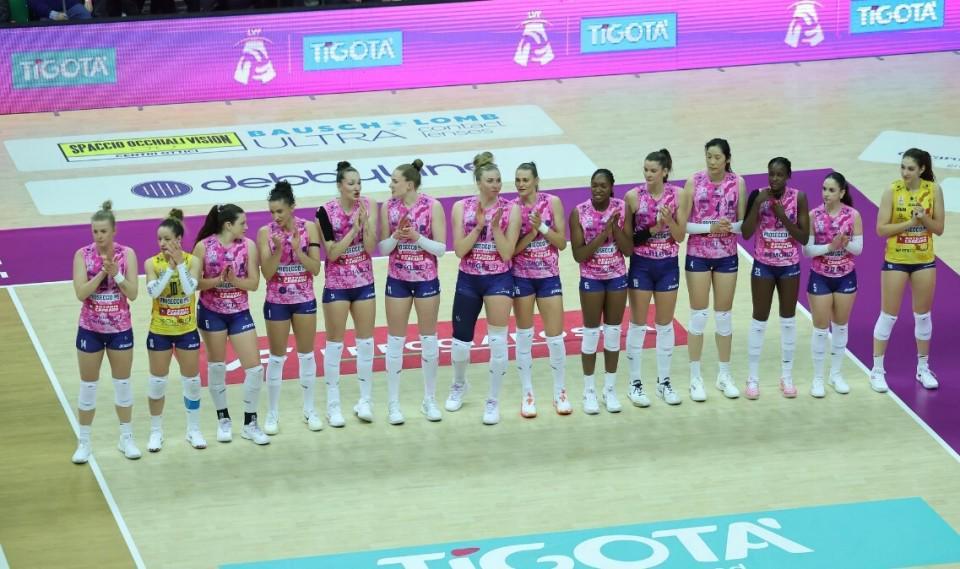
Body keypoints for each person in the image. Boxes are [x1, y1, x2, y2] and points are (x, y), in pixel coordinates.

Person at [445, 152, 521, 425]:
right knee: (460, 342)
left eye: (498, 180)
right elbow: (459, 251)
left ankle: (493, 400)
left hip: (498, 279)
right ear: (478, 182)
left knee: (498, 341)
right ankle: (459, 384)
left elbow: (507, 253)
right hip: (469, 279)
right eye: (490, 180)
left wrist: (496, 228)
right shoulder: (461, 207)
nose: (496, 185)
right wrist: (479, 227)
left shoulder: (511, 209)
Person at [870, 148, 945, 392]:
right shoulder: (892, 190)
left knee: (923, 316)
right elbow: (881, 229)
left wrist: (923, 219)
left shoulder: (934, 190)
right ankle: (877, 370)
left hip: (923, 259)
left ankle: (923, 368)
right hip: (896, 259)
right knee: (888, 316)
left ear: (922, 169)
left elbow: (939, 228)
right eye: (902, 167)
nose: (904, 172)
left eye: (910, 168)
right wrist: (910, 222)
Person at [71, 201, 140, 464]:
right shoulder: (82, 255)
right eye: (95, 231)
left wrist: (117, 275)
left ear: (113, 231)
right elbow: (81, 293)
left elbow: (133, 293)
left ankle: (126, 438)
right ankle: (84, 442)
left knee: (122, 384)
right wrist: (102, 273)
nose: (99, 236)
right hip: (90, 329)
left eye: (103, 231)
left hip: (120, 329)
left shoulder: (127, 254)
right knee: (88, 386)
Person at [194, 204, 269, 445]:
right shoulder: (204, 247)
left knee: (255, 370)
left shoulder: (248, 246)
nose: (246, 227)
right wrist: (217, 280)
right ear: (228, 225)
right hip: (211, 312)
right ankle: (223, 419)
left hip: (239, 312)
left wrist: (234, 280)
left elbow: (254, 284)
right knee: (217, 367)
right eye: (242, 223)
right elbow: (193, 284)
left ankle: (250, 423)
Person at [379, 159, 447, 423]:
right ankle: (393, 404)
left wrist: (417, 238)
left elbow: (441, 249)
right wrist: (396, 236)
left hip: (426, 279)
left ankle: (429, 400)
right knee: (395, 341)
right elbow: (383, 249)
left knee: (428, 339)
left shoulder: (432, 206)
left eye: (395, 181)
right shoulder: (388, 207)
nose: (390, 185)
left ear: (409, 184)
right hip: (398, 279)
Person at [678, 138, 747, 400]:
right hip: (698, 255)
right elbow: (683, 225)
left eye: (717, 157)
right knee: (698, 315)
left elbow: (742, 224)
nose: (712, 161)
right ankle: (695, 378)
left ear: (727, 159)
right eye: (709, 156)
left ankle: (724, 375)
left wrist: (731, 227)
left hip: (726, 256)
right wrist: (711, 227)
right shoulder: (693, 182)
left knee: (724, 316)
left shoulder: (737, 182)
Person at [741, 157, 810, 399]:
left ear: (788, 175)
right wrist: (757, 204)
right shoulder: (758, 195)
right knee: (759, 320)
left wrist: (783, 216)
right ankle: (752, 379)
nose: (775, 179)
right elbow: (746, 233)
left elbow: (803, 237)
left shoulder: (799, 198)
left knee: (788, 321)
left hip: (789, 266)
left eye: (780, 174)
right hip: (764, 265)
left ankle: (787, 377)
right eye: (771, 174)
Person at [316, 161, 379, 425]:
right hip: (337, 284)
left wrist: (365, 225)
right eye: (351, 183)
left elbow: (371, 248)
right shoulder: (324, 212)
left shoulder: (369, 205)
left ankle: (365, 400)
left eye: (359, 183)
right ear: (340, 186)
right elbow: (332, 253)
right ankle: (333, 406)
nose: (356, 187)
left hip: (364, 281)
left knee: (365, 343)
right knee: (335, 344)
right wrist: (354, 228)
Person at [258, 182, 323, 435]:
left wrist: (297, 250)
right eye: (272, 212)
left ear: (292, 207)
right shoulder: (265, 233)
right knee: (276, 358)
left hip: (304, 298)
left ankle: (310, 410)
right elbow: (267, 274)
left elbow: (315, 269)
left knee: (306, 355)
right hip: (277, 301)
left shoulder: (309, 229)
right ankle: (272, 414)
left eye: (280, 211)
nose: (276, 217)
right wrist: (279, 250)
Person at [569, 168, 633, 414]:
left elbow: (628, 250)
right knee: (591, 334)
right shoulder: (579, 212)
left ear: (611, 187)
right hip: (591, 279)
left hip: (616, 277)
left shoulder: (622, 209)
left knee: (613, 333)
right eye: (594, 185)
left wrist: (615, 230)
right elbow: (579, 255)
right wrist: (603, 235)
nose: (597, 189)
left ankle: (609, 389)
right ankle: (589, 391)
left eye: (603, 185)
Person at [624, 149, 684, 407]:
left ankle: (664, 382)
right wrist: (655, 228)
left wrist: (669, 222)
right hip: (642, 265)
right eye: (645, 170)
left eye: (653, 170)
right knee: (637, 324)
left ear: (665, 171)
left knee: (665, 324)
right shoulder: (633, 197)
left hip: (668, 265)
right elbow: (629, 241)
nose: (648, 174)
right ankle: (634, 384)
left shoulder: (679, 195)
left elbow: (680, 236)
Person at [510, 161, 570, 417]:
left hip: (548, 276)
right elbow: (510, 250)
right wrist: (530, 234)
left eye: (525, 179)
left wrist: (542, 228)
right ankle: (527, 394)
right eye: (518, 180)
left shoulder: (552, 202)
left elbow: (561, 243)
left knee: (555, 338)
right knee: (524, 337)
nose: (521, 184)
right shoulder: (512, 208)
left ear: (536, 180)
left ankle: (560, 392)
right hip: (522, 277)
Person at [144, 209, 206, 452]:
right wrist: (169, 269)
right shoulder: (152, 263)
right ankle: (156, 432)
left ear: (179, 239)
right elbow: (154, 292)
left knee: (192, 382)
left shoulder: (193, 261)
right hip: (160, 330)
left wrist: (179, 265)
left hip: (186, 330)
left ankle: (193, 430)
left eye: (167, 239)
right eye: (159, 239)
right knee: (157, 383)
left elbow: (190, 289)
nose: (162, 243)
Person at [803, 172, 862, 397]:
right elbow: (807, 251)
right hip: (820, 276)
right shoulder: (813, 215)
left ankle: (835, 374)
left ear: (842, 193)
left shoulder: (853, 215)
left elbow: (859, 249)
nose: (826, 194)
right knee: (820, 329)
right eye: (824, 189)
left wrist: (845, 243)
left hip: (845, 276)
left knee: (840, 326)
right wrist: (830, 247)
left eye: (831, 190)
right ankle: (818, 378)